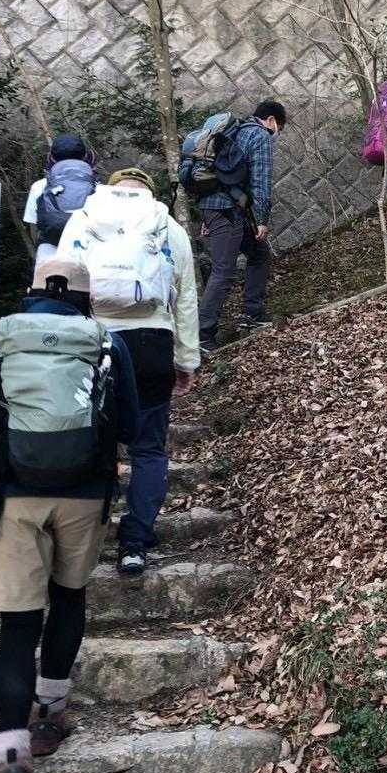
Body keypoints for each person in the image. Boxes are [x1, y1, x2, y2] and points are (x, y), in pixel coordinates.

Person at [0, 257, 139, 773]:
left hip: (14, 496)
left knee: (18, 625)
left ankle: (11, 763)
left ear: (31, 292)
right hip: (85, 494)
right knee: (69, 598)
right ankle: (50, 713)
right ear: (84, 298)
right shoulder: (106, 342)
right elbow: (129, 424)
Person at [58, 168, 200, 577]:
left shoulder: (83, 218)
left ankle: (84, 540)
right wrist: (186, 358)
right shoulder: (167, 225)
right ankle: (134, 543)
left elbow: (60, 284)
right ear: (148, 193)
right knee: (149, 449)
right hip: (151, 343)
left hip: (95, 341)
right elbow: (185, 296)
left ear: (111, 188)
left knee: (93, 442)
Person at [189, 100, 286, 355]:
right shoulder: (259, 135)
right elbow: (260, 181)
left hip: (218, 207)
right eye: (278, 127)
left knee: (259, 254)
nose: (276, 133)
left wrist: (207, 218)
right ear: (271, 120)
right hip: (227, 210)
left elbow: (217, 175)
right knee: (223, 270)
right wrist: (262, 219)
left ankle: (252, 314)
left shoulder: (234, 132)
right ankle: (202, 335)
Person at [23, 134, 97, 261]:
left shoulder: (40, 186)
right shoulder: (97, 186)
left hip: (51, 249)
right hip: (88, 251)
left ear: (51, 157)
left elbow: (33, 225)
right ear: (85, 156)